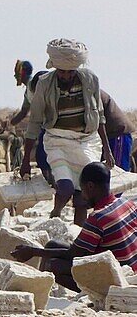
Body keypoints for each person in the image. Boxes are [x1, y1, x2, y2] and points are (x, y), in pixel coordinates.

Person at [21, 39, 112, 225]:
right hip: (57, 141)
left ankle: (79, 234)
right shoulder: (45, 84)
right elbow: (35, 122)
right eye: (61, 72)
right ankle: (55, 215)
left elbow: (100, 116)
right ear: (54, 67)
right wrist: (25, 161)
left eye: (70, 72)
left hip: (86, 141)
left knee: (83, 196)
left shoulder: (90, 80)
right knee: (65, 188)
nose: (66, 76)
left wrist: (107, 151)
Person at [12, 162, 137, 291]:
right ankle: (40, 288)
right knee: (52, 245)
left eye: (83, 190)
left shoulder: (98, 217)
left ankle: (42, 291)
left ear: (90, 186)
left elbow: (72, 254)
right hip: (131, 268)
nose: (82, 196)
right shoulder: (127, 204)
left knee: (53, 265)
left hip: (119, 278)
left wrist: (32, 252)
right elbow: (76, 252)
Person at [101, 91, 134, 172]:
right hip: (107, 137)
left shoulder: (90, 90)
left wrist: (107, 149)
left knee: (117, 173)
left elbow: (99, 121)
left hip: (116, 134)